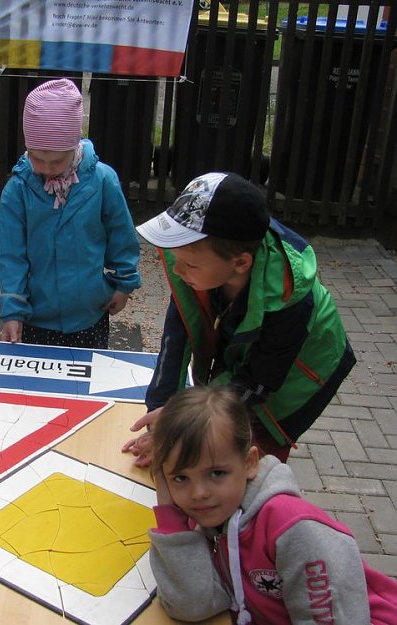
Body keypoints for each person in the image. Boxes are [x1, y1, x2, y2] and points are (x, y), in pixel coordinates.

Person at [123, 171, 355, 466]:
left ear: (241, 263)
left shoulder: (291, 302)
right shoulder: (197, 266)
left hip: (295, 377)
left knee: (249, 455)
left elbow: (258, 382)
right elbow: (176, 342)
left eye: (189, 264)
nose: (178, 271)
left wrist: (185, 423)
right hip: (246, 354)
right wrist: (161, 417)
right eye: (177, 258)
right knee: (207, 436)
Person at [147, 385, 397, 624]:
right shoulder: (211, 514)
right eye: (180, 478)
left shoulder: (295, 530)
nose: (198, 493)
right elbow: (193, 605)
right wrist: (170, 515)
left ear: (250, 463)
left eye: (216, 473)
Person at [0, 78, 141, 349]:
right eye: (37, 159)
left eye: (57, 161)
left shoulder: (102, 180)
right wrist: (13, 311)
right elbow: (10, 254)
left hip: (89, 314)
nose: (48, 169)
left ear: (74, 147)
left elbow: (121, 235)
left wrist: (124, 283)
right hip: (36, 316)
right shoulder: (18, 189)